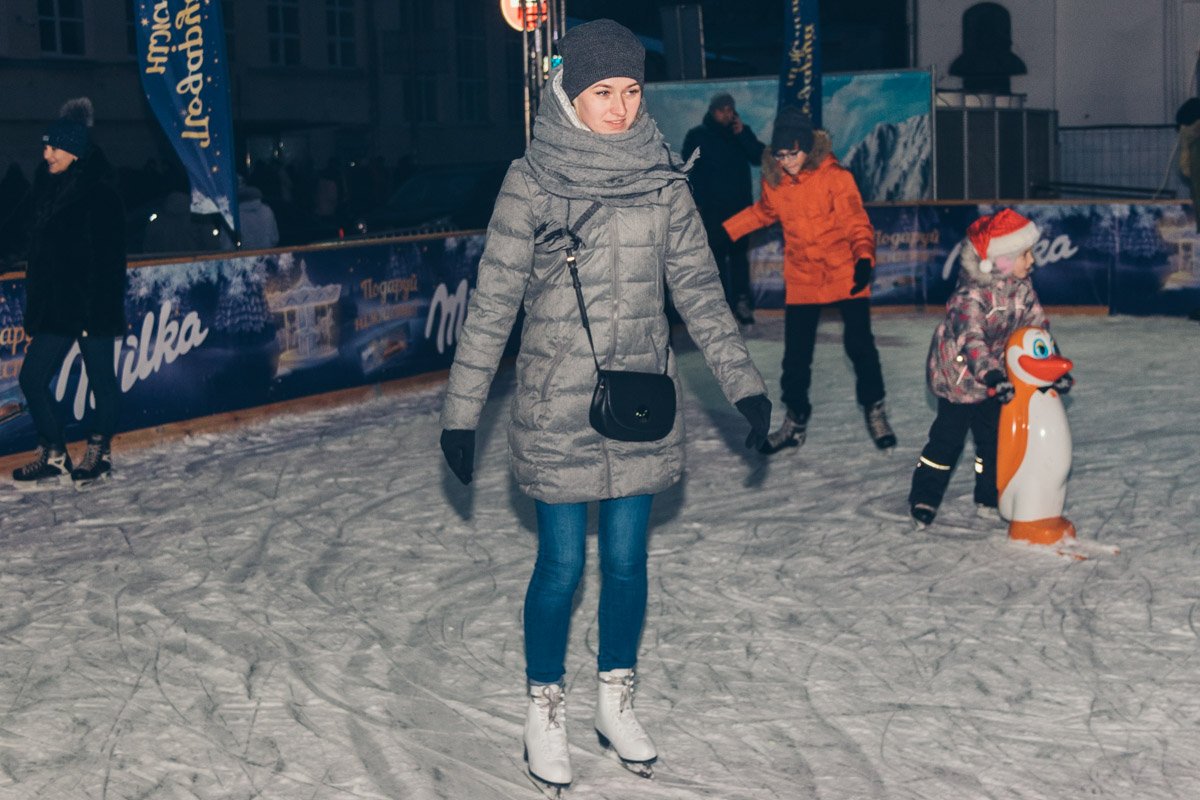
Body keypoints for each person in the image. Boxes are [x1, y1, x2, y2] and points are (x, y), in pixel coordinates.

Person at [437, 19, 771, 790]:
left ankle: (614, 700)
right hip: (557, 405)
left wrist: (744, 385)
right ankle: (543, 709)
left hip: (643, 402)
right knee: (560, 564)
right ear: (569, 93)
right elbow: (492, 304)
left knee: (626, 563)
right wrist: (461, 413)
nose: (618, 108)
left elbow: (701, 294)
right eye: (601, 93)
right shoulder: (533, 181)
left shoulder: (664, 180)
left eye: (629, 92)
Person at [723, 106, 896, 454]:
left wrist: (864, 257)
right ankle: (795, 421)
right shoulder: (775, 182)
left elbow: (856, 222)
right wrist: (727, 230)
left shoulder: (836, 178)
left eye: (793, 153)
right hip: (803, 276)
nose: (787, 161)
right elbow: (765, 212)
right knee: (796, 357)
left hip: (844, 270)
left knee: (860, 346)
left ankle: (875, 409)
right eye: (781, 155)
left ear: (807, 147)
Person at [907, 208, 1071, 529]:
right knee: (946, 441)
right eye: (1026, 254)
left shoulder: (1022, 290)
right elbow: (972, 340)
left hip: (994, 379)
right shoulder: (969, 296)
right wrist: (992, 375)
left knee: (993, 441)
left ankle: (988, 496)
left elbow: (1038, 330)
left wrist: (1054, 368)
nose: (1032, 261)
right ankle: (924, 496)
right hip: (958, 379)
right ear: (1002, 260)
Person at [6, 98, 126, 488]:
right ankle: (54, 453)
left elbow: (111, 260)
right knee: (31, 378)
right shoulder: (45, 184)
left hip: (91, 305)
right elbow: (18, 227)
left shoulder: (101, 192)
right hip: (57, 305)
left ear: (73, 149)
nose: (45, 154)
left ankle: (99, 451)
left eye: (52, 147)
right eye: (45, 147)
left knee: (101, 382)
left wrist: (97, 308)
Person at [681, 93, 765, 324]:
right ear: (712, 111)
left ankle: (741, 302)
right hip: (713, 211)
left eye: (730, 109)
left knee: (739, 259)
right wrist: (694, 201)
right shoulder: (698, 136)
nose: (727, 114)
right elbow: (687, 170)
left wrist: (744, 135)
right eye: (722, 110)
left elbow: (759, 157)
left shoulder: (739, 133)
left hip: (740, 211)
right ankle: (721, 308)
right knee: (716, 260)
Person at [237, 179, 280, 249]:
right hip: (267, 255)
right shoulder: (267, 210)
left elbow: (227, 246)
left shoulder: (234, 216)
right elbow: (274, 238)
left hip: (244, 257)